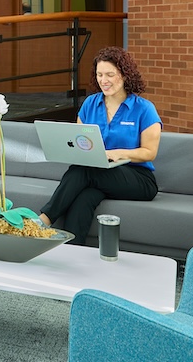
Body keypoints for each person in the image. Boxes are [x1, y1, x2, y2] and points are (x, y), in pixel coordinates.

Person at [38, 46, 162, 245]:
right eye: (99, 74)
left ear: (124, 75)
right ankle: (72, 252)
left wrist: (115, 154)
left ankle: (44, 219)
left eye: (110, 74)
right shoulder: (90, 104)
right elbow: (79, 144)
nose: (104, 80)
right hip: (99, 174)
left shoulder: (144, 108)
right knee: (85, 197)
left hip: (138, 179)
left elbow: (150, 153)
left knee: (85, 171)